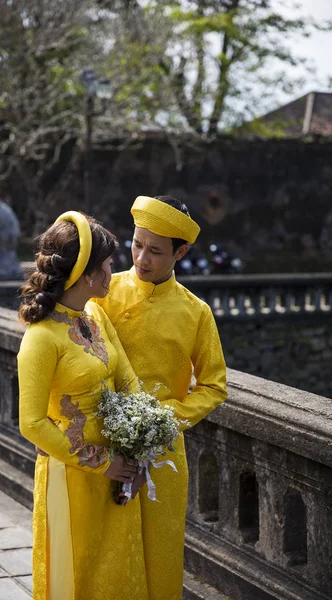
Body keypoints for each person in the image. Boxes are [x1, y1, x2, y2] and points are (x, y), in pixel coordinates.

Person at [94, 195, 228, 600]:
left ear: (180, 252)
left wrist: (166, 419)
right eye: (136, 245)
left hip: (164, 453)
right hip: (104, 446)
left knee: (160, 554)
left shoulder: (196, 312)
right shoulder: (103, 294)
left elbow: (214, 385)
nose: (141, 258)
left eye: (155, 251)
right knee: (107, 551)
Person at [17, 211, 150, 600]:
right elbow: (32, 423)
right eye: (109, 266)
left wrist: (140, 445)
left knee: (117, 568)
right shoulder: (42, 338)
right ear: (88, 274)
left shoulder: (94, 316)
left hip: (119, 464)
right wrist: (104, 463)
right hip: (73, 475)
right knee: (78, 571)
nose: (115, 272)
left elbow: (126, 379)